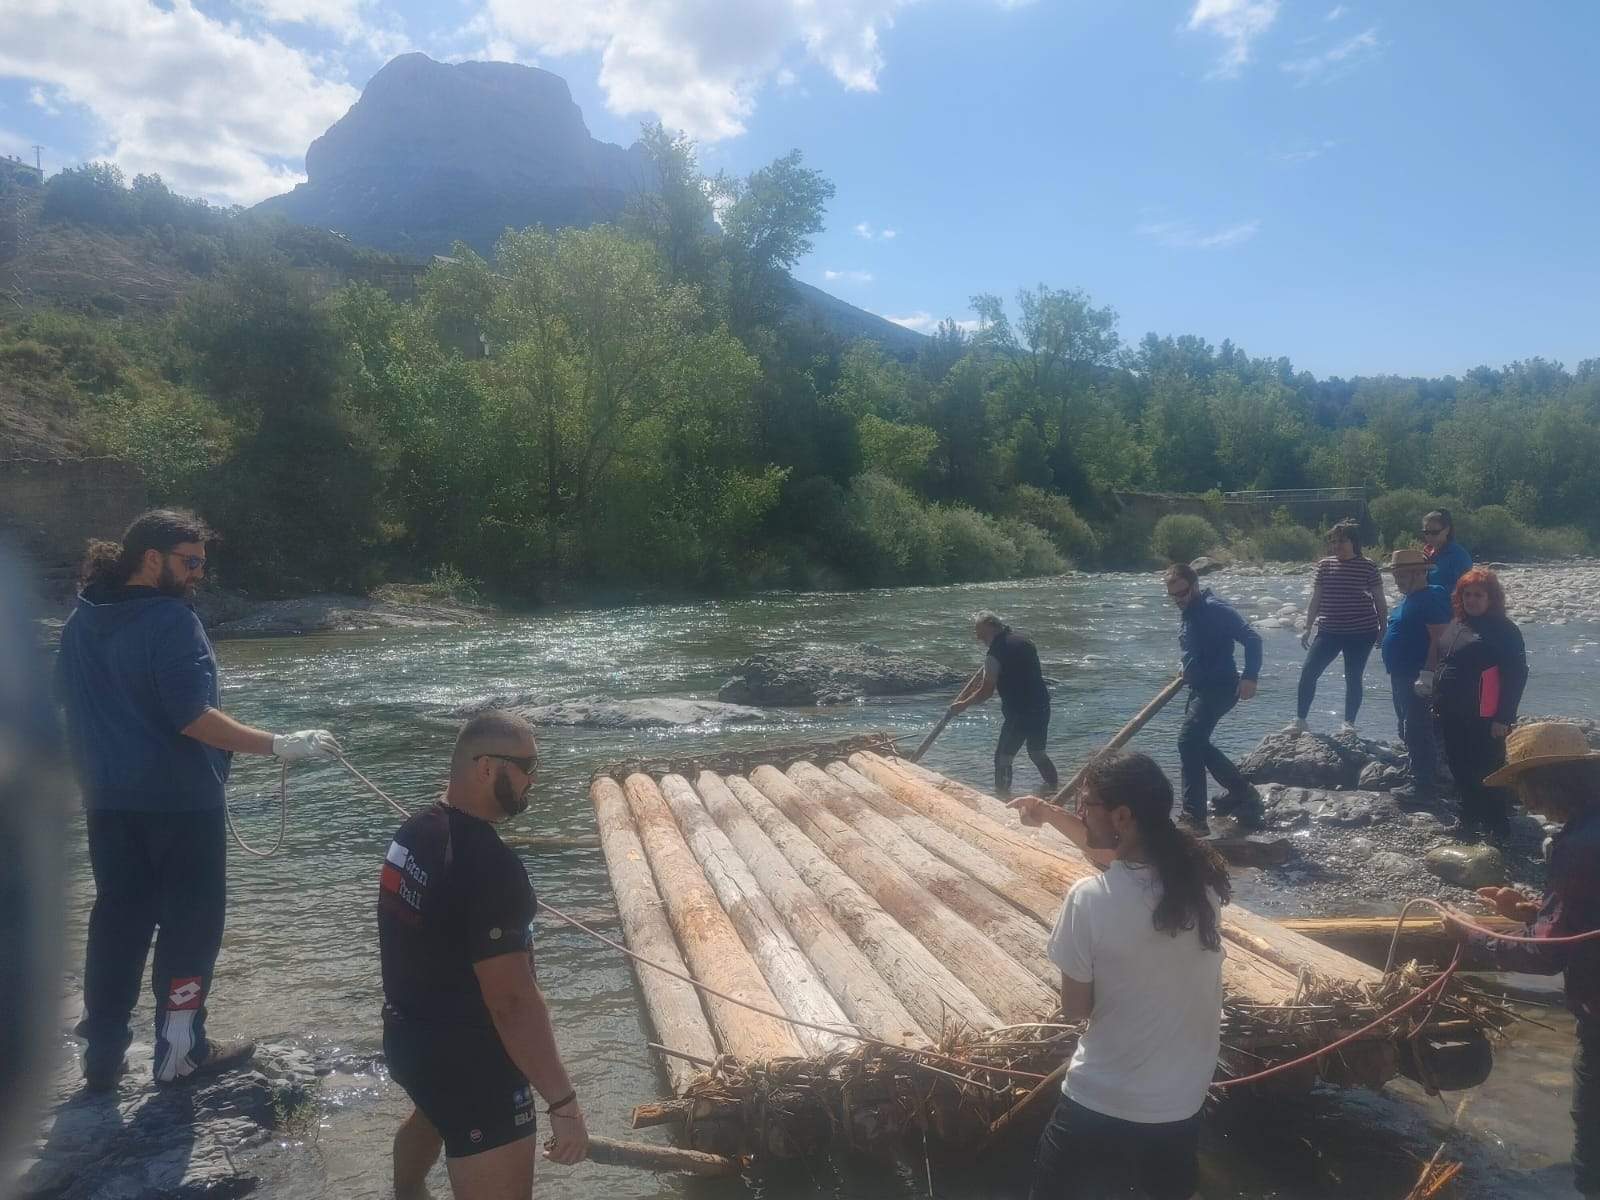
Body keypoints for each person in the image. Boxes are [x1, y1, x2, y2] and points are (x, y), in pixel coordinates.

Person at [55, 509, 341, 1091]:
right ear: (152, 559)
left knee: (117, 924)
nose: (197, 577)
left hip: (107, 802)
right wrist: (280, 745)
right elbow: (192, 717)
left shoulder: (81, 620)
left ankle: (102, 1061)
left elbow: (69, 701)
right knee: (191, 930)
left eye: (202, 566)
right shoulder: (172, 621)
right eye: (190, 564)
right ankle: (179, 1055)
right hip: (181, 807)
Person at [381, 709, 588, 1200]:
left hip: (409, 1040)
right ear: (488, 768)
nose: (534, 780)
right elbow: (511, 1003)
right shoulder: (493, 868)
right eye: (529, 767)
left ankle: (406, 1194)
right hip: (473, 1063)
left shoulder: (413, 833)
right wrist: (563, 1101)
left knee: (433, 1113)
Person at [1010, 751, 1229, 1200]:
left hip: (1101, 1102)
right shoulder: (1201, 885)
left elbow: (1076, 1010)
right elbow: (1117, 861)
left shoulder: (1088, 899)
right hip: (1181, 1104)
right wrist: (1051, 816)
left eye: (1085, 803)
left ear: (1123, 815)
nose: (1079, 811)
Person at [1440, 723, 1600, 1198]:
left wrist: (1473, 935)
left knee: (1592, 1144)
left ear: (1548, 782)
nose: (1524, 802)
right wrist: (1531, 910)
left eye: (1523, 788)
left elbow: (1543, 954)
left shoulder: (1579, 845)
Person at [1165, 563, 1263, 835]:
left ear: (1194, 585)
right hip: (1199, 687)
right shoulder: (1189, 610)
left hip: (1220, 687)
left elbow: (1253, 638)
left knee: (1187, 742)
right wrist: (1188, 667)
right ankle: (1242, 791)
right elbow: (1199, 646)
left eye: (1182, 593)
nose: (1178, 600)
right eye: (1172, 596)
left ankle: (1194, 818)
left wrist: (1250, 676)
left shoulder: (1214, 608)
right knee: (1197, 744)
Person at [1433, 569, 1529, 841]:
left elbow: (1517, 675)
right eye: (1467, 595)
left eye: (1478, 595)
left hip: (1486, 716)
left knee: (1488, 768)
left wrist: (1504, 717)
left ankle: (1498, 824)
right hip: (1451, 712)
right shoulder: (1458, 623)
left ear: (1492, 598)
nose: (1472, 600)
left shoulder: (1505, 631)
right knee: (1458, 766)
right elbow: (1445, 662)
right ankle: (1468, 817)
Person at [949, 611, 1059, 801]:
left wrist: (963, 704)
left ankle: (1002, 801)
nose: (977, 637)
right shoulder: (1024, 641)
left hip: (1019, 712)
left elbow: (986, 692)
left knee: (1003, 759)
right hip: (1041, 706)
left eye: (979, 631)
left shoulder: (995, 653)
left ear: (990, 626)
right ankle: (1055, 792)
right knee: (1037, 753)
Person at [1291, 520, 1386, 735]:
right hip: (1329, 630)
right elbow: (1316, 597)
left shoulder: (1368, 566)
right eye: (1333, 542)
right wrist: (1308, 627)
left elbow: (1380, 599)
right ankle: (1300, 720)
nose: (1336, 546)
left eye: (1341, 541)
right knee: (1308, 672)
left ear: (1353, 542)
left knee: (1353, 676)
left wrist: (1383, 627)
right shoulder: (1325, 565)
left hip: (1362, 631)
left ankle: (1348, 723)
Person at [1379, 548, 1451, 805]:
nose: (1397, 580)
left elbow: (1440, 638)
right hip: (1400, 673)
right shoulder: (1411, 597)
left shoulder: (1431, 597)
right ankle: (1415, 772)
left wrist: (1428, 673)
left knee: (1417, 728)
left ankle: (1424, 787)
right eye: (1395, 575)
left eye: (1401, 575)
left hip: (1416, 674)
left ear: (1419, 573)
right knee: (1406, 726)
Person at [1422, 508, 1472, 598]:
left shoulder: (1459, 556)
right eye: (1426, 532)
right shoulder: (1426, 553)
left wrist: (1426, 590)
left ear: (1447, 530)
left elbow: (1465, 590)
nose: (1429, 536)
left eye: (1434, 532)